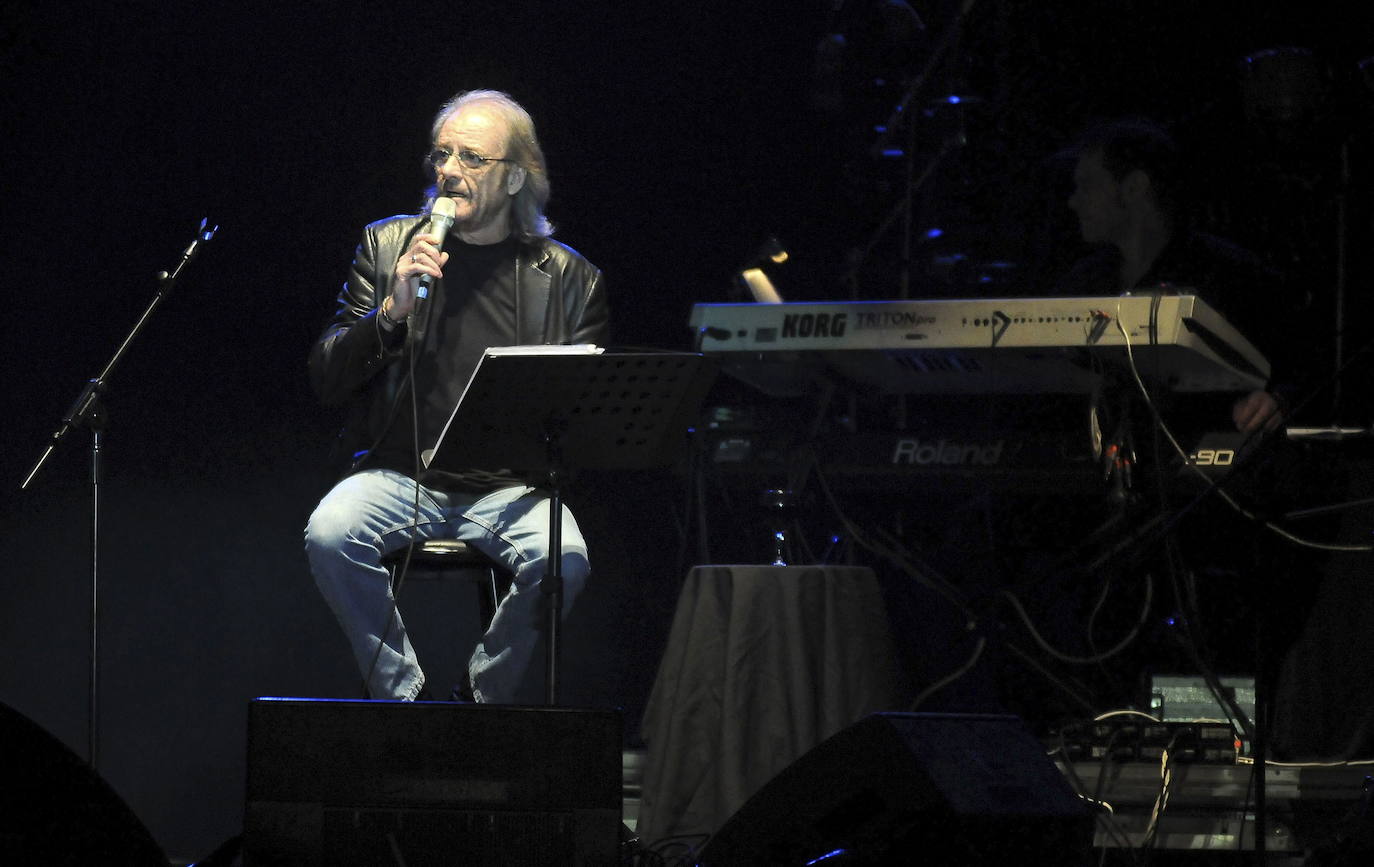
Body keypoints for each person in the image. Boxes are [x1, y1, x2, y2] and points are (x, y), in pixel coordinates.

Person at [303, 89, 609, 703]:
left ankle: (480, 697)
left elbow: (586, 413)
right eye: (442, 154)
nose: (449, 171)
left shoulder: (571, 278)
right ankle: (404, 697)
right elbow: (327, 377)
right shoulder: (388, 246)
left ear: (517, 176)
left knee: (565, 559)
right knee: (330, 534)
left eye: (472, 158)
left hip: (509, 487)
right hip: (400, 476)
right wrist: (391, 311)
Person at [1057, 118, 1288, 434]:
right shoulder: (1083, 282)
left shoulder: (1231, 274)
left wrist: (1274, 401)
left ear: (1135, 187)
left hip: (1206, 464)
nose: (1073, 201)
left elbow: (1294, 370)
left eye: (1087, 185)